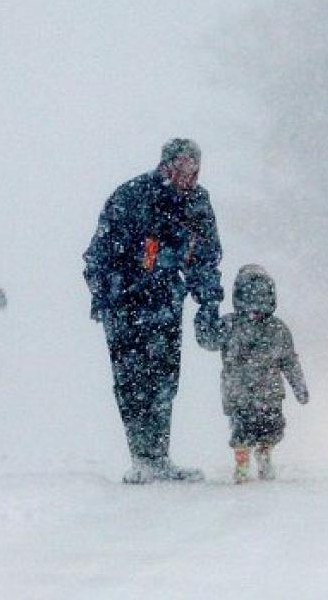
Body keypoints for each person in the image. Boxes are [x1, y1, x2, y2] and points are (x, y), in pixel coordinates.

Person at [83, 138, 224, 484]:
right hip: (126, 304)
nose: (190, 176)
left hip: (165, 304)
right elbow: (98, 254)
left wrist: (208, 302)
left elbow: (205, 257)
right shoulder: (131, 196)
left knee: (164, 378)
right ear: (167, 166)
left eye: (195, 168)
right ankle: (141, 457)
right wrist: (109, 295)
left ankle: (158, 456)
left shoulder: (198, 203)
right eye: (183, 167)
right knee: (131, 379)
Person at [197, 263, 309, 483]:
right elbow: (208, 340)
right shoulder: (230, 325)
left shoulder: (278, 329)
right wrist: (205, 316)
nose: (255, 309)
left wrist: (299, 386)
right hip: (239, 393)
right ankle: (242, 463)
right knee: (242, 430)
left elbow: (289, 361)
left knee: (272, 427)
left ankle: (264, 453)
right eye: (250, 299)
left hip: (270, 393)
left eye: (261, 299)